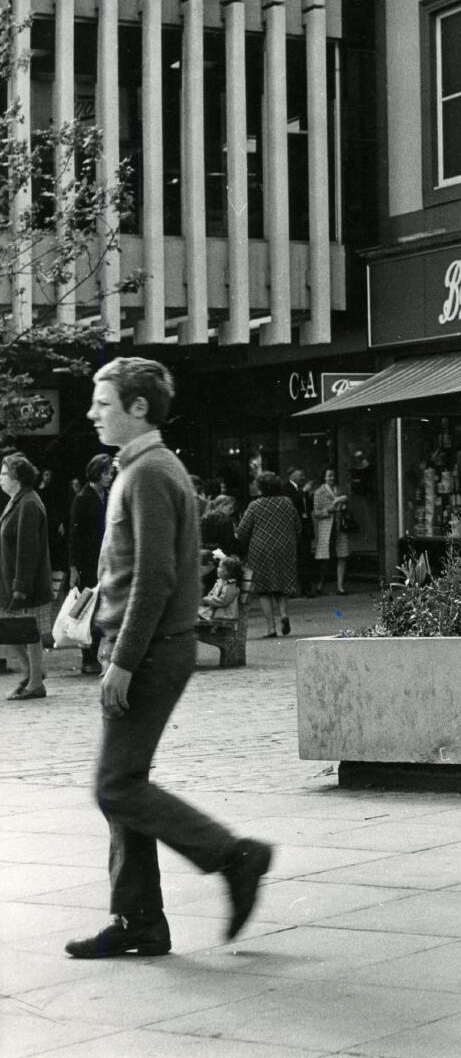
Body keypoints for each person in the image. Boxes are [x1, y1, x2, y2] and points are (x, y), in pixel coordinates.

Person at [64, 357, 271, 960]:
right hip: (150, 647)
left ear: (137, 408)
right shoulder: (145, 467)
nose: (91, 413)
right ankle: (139, 922)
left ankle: (234, 856)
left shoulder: (150, 472)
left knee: (115, 787)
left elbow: (154, 577)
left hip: (151, 651)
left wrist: (123, 661)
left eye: (102, 403)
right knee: (125, 785)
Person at [1, 453, 53, 701]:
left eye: (3, 474)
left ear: (17, 478)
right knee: (12, 631)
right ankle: (32, 673)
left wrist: (20, 587)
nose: (0, 478)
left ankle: (34, 682)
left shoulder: (29, 504)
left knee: (29, 633)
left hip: (24, 585)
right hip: (11, 582)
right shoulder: (17, 501)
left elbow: (27, 549)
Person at [236, 473, 301, 638]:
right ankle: (284, 614)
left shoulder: (254, 505)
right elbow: (298, 526)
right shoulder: (287, 502)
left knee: (264, 589)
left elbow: (243, 531)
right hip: (285, 547)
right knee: (282, 584)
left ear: (261, 487)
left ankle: (271, 628)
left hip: (261, 549)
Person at [69, 453, 113, 676]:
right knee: (89, 608)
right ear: (96, 472)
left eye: (111, 472)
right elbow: (75, 535)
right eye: (106, 472)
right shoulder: (83, 498)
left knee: (103, 607)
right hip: (88, 561)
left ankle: (95, 653)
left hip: (106, 560)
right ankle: (88, 657)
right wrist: (74, 567)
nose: (109, 476)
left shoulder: (108, 495)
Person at [310, 468, 351, 595]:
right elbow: (316, 512)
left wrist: (343, 506)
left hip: (339, 526)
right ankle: (321, 584)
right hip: (326, 527)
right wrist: (328, 510)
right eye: (329, 476)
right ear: (324, 477)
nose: (332, 478)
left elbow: (346, 505)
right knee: (325, 557)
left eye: (333, 476)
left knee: (342, 555)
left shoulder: (339, 490)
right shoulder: (319, 492)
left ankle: (340, 586)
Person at [283, 468, 315, 597]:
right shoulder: (286, 488)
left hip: (304, 527)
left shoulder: (303, 490)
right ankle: (291, 588)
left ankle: (306, 589)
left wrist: (308, 495)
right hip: (293, 529)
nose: (303, 478)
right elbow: (290, 504)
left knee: (305, 559)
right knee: (292, 559)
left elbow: (308, 508)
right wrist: (303, 492)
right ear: (293, 476)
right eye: (301, 475)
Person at [197, 556, 242, 627]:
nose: (217, 569)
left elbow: (222, 601)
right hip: (216, 613)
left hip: (226, 615)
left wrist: (207, 600)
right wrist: (208, 598)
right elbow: (211, 594)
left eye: (220, 567)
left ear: (228, 571)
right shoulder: (219, 582)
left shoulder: (230, 585)